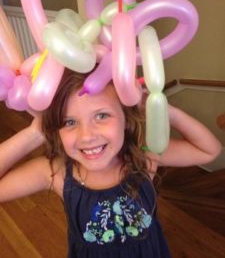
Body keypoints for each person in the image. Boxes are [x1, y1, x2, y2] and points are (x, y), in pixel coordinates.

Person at [0, 68, 221, 258]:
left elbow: (208, 150)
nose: (86, 136)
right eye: (69, 121)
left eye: (102, 116)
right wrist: (33, 134)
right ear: (56, 130)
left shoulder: (145, 158)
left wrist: (159, 108)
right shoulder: (55, 172)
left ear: (126, 118)